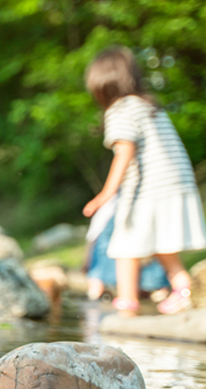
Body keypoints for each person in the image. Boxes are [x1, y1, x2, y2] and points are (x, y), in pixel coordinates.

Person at [82, 46, 206, 315]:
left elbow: (125, 152)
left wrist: (105, 194)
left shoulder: (120, 109)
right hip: (176, 183)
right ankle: (183, 289)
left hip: (150, 189)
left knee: (125, 244)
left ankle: (128, 303)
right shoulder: (148, 105)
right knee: (160, 244)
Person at [84, 195, 169, 301]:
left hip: (127, 203)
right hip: (142, 201)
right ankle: (157, 288)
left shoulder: (109, 212)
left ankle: (122, 296)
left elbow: (94, 238)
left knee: (122, 247)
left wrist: (101, 198)